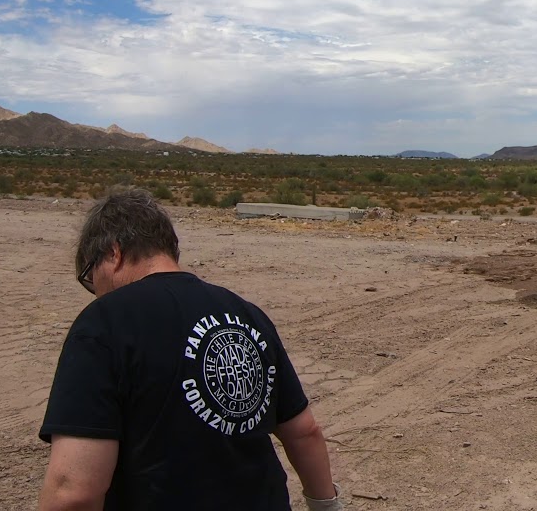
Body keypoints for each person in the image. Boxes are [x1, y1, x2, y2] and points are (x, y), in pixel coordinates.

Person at [38, 188, 343, 510]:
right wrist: (327, 507)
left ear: (114, 252)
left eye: (90, 277)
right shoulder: (246, 312)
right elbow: (304, 431)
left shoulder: (104, 322)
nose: (95, 291)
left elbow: (73, 491)